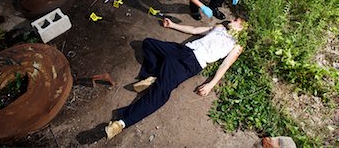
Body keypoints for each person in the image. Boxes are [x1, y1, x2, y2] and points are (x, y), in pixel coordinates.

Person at [105, 17, 246, 140]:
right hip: (182, 50)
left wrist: (211, 84)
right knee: (148, 43)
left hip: (192, 63)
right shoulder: (220, 27)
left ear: (241, 29)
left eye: (236, 21)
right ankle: (153, 76)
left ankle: (122, 122)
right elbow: (195, 30)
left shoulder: (237, 45)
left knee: (162, 92)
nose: (232, 20)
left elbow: (225, 65)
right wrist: (172, 25)